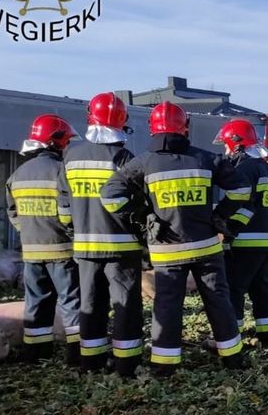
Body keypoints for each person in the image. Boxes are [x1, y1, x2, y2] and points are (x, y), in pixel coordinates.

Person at [99, 102, 248, 376]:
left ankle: (165, 366)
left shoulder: (142, 163)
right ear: (186, 127)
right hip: (206, 248)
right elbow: (241, 189)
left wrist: (144, 216)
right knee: (218, 301)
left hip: (167, 251)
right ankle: (233, 359)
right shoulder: (206, 159)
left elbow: (110, 196)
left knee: (166, 306)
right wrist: (219, 215)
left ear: (152, 129)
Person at [58, 92, 144, 375]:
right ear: (122, 121)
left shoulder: (70, 157)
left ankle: (90, 363)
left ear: (89, 118)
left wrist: (76, 230)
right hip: (122, 250)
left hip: (85, 248)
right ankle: (126, 365)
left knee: (91, 305)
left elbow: (63, 207)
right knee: (126, 307)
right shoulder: (122, 157)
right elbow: (136, 203)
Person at [6, 114, 81, 365]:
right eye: (66, 141)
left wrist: (29, 234)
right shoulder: (62, 171)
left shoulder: (18, 174)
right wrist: (73, 237)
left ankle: (36, 355)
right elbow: (68, 213)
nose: (67, 146)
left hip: (31, 252)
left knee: (36, 304)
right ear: (56, 141)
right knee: (72, 303)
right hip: (62, 252)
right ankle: (77, 355)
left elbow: (13, 213)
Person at [215, 119, 268, 348]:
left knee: (234, 288)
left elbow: (245, 204)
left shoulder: (244, 168)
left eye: (226, 146)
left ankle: (230, 338)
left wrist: (227, 226)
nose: (225, 151)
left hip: (246, 241)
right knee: (264, 289)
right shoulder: (267, 170)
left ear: (237, 144)